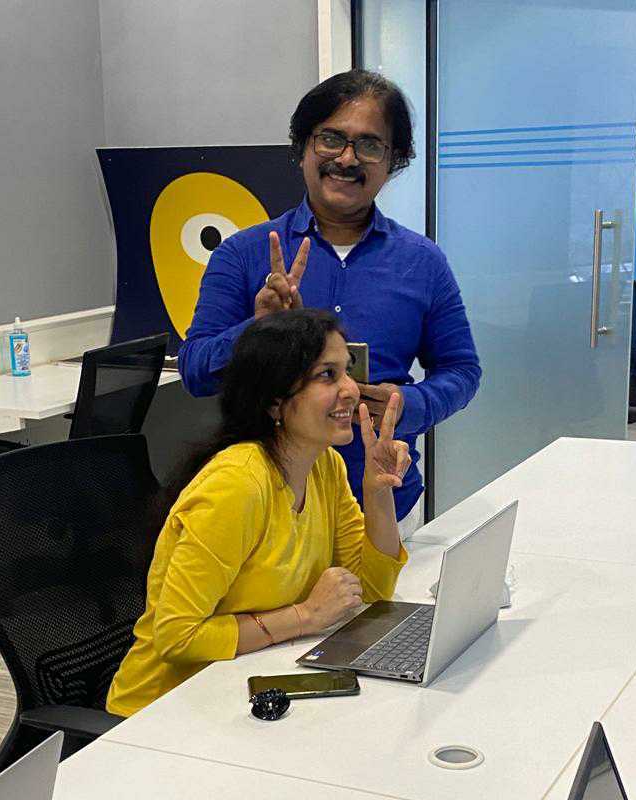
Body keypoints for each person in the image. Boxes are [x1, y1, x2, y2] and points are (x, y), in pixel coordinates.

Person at [179, 70, 480, 537]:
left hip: (383, 499)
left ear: (393, 161)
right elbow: (195, 371)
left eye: (370, 145)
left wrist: (410, 403)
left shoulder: (422, 262)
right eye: (330, 139)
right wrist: (257, 330)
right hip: (264, 510)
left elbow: (462, 371)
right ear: (302, 148)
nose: (346, 158)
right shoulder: (242, 254)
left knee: (391, 612)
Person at [107, 309, 410, 718]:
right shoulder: (237, 486)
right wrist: (304, 616)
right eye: (328, 375)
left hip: (245, 690)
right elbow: (177, 636)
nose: (351, 389)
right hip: (160, 713)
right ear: (274, 402)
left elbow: (372, 594)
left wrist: (378, 492)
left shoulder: (325, 466)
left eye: (347, 371)